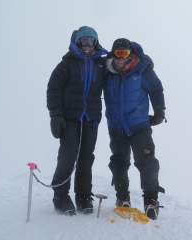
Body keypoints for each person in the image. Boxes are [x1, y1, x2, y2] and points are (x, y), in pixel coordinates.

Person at [46, 26, 108, 215]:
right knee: (68, 156)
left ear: (95, 43)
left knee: (86, 158)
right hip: (70, 117)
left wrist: (143, 60)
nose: (87, 45)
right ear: (77, 43)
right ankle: (60, 195)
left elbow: (123, 65)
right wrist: (55, 114)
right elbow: (54, 88)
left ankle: (82, 195)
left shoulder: (102, 64)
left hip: (91, 119)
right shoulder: (67, 64)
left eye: (91, 41)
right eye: (84, 41)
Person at [103, 38, 166, 220]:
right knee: (119, 163)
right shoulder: (107, 72)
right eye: (117, 54)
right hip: (116, 127)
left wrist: (159, 111)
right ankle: (123, 199)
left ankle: (151, 201)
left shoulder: (141, 70)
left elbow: (156, 89)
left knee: (146, 163)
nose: (120, 58)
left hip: (139, 125)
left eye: (124, 54)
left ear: (131, 54)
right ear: (113, 54)